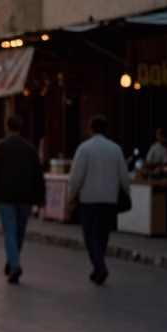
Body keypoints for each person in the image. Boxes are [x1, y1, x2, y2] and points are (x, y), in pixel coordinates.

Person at [0, 114, 46, 284]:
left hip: (5, 197)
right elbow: (38, 174)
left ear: (6, 127)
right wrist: (41, 197)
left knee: (9, 232)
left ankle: (14, 263)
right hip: (26, 197)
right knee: (19, 232)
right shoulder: (30, 148)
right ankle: (13, 261)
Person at [68, 115, 130, 285]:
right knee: (103, 235)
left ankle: (100, 267)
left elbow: (76, 176)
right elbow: (124, 176)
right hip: (109, 198)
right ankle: (98, 267)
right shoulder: (115, 149)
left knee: (90, 235)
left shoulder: (84, 149)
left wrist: (71, 196)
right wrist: (127, 191)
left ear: (90, 130)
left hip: (89, 199)